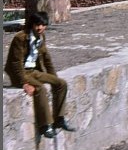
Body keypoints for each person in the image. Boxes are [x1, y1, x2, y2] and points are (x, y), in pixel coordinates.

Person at [4, 11, 76, 139]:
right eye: (37, 25)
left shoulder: (41, 37)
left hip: (34, 71)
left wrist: (54, 78)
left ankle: (59, 119)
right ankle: (45, 126)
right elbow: (16, 63)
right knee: (40, 89)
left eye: (43, 25)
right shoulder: (20, 38)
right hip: (20, 73)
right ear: (32, 24)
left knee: (61, 84)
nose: (40, 28)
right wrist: (23, 83)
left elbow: (47, 59)